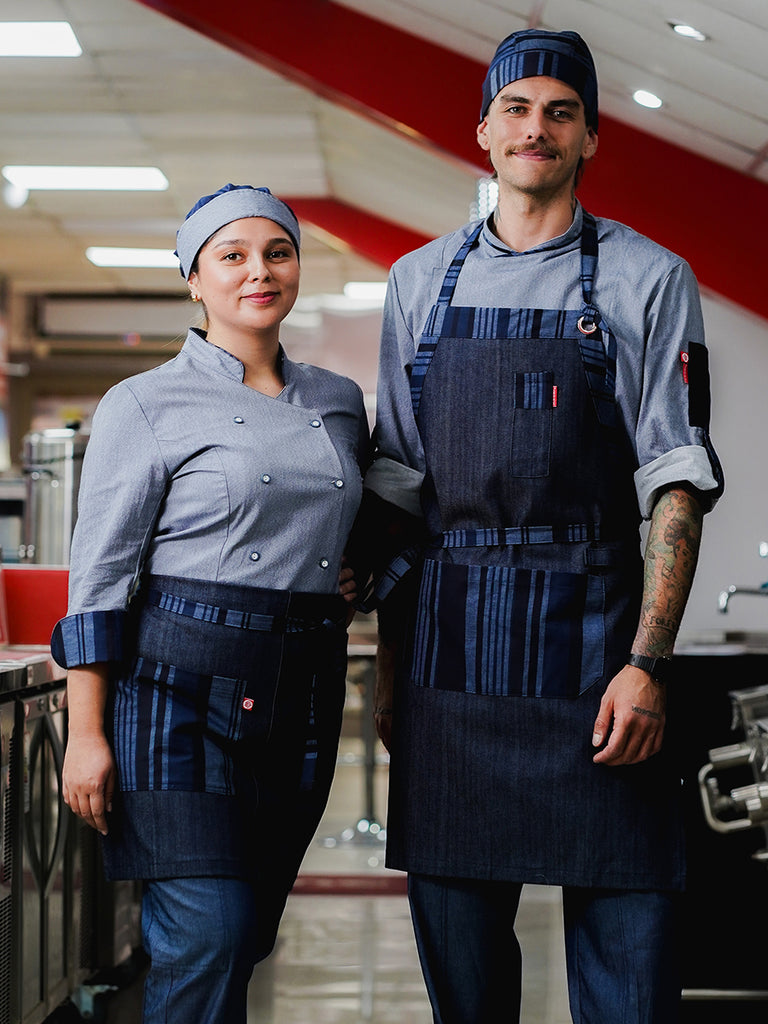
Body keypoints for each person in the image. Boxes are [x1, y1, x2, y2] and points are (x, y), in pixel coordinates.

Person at [363, 29, 724, 1024]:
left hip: (601, 676)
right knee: (468, 1000)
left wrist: (648, 664)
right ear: (482, 129)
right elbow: (396, 492)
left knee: (630, 988)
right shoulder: (417, 284)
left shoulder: (651, 280)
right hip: (451, 675)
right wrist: (391, 683)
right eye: (516, 108)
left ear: (591, 137)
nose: (537, 127)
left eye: (560, 110)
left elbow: (675, 484)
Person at [51, 183, 370, 1023]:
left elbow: (362, 517)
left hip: (299, 693)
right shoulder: (144, 403)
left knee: (247, 937)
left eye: (277, 251)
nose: (258, 271)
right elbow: (100, 577)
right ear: (195, 279)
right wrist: (86, 735)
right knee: (210, 936)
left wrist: (354, 572)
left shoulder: (337, 400)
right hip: (174, 696)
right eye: (231, 255)